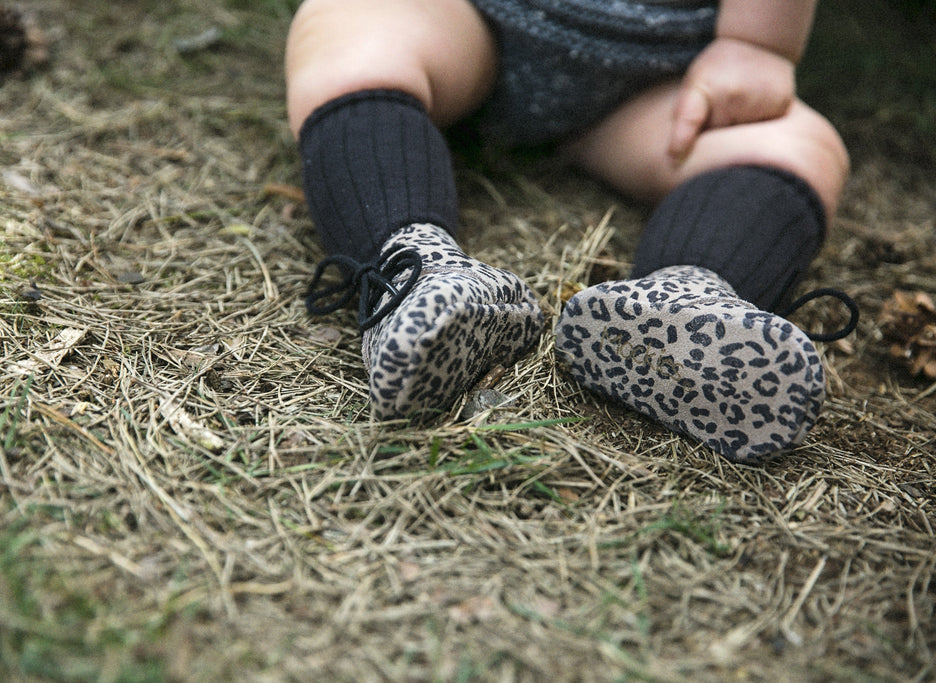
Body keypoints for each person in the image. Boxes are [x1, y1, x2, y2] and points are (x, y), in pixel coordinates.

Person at [285, 0, 857, 465]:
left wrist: (758, 44)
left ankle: (685, 306)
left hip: (656, 83)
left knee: (802, 147)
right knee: (349, 31)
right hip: (468, 24)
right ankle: (415, 272)